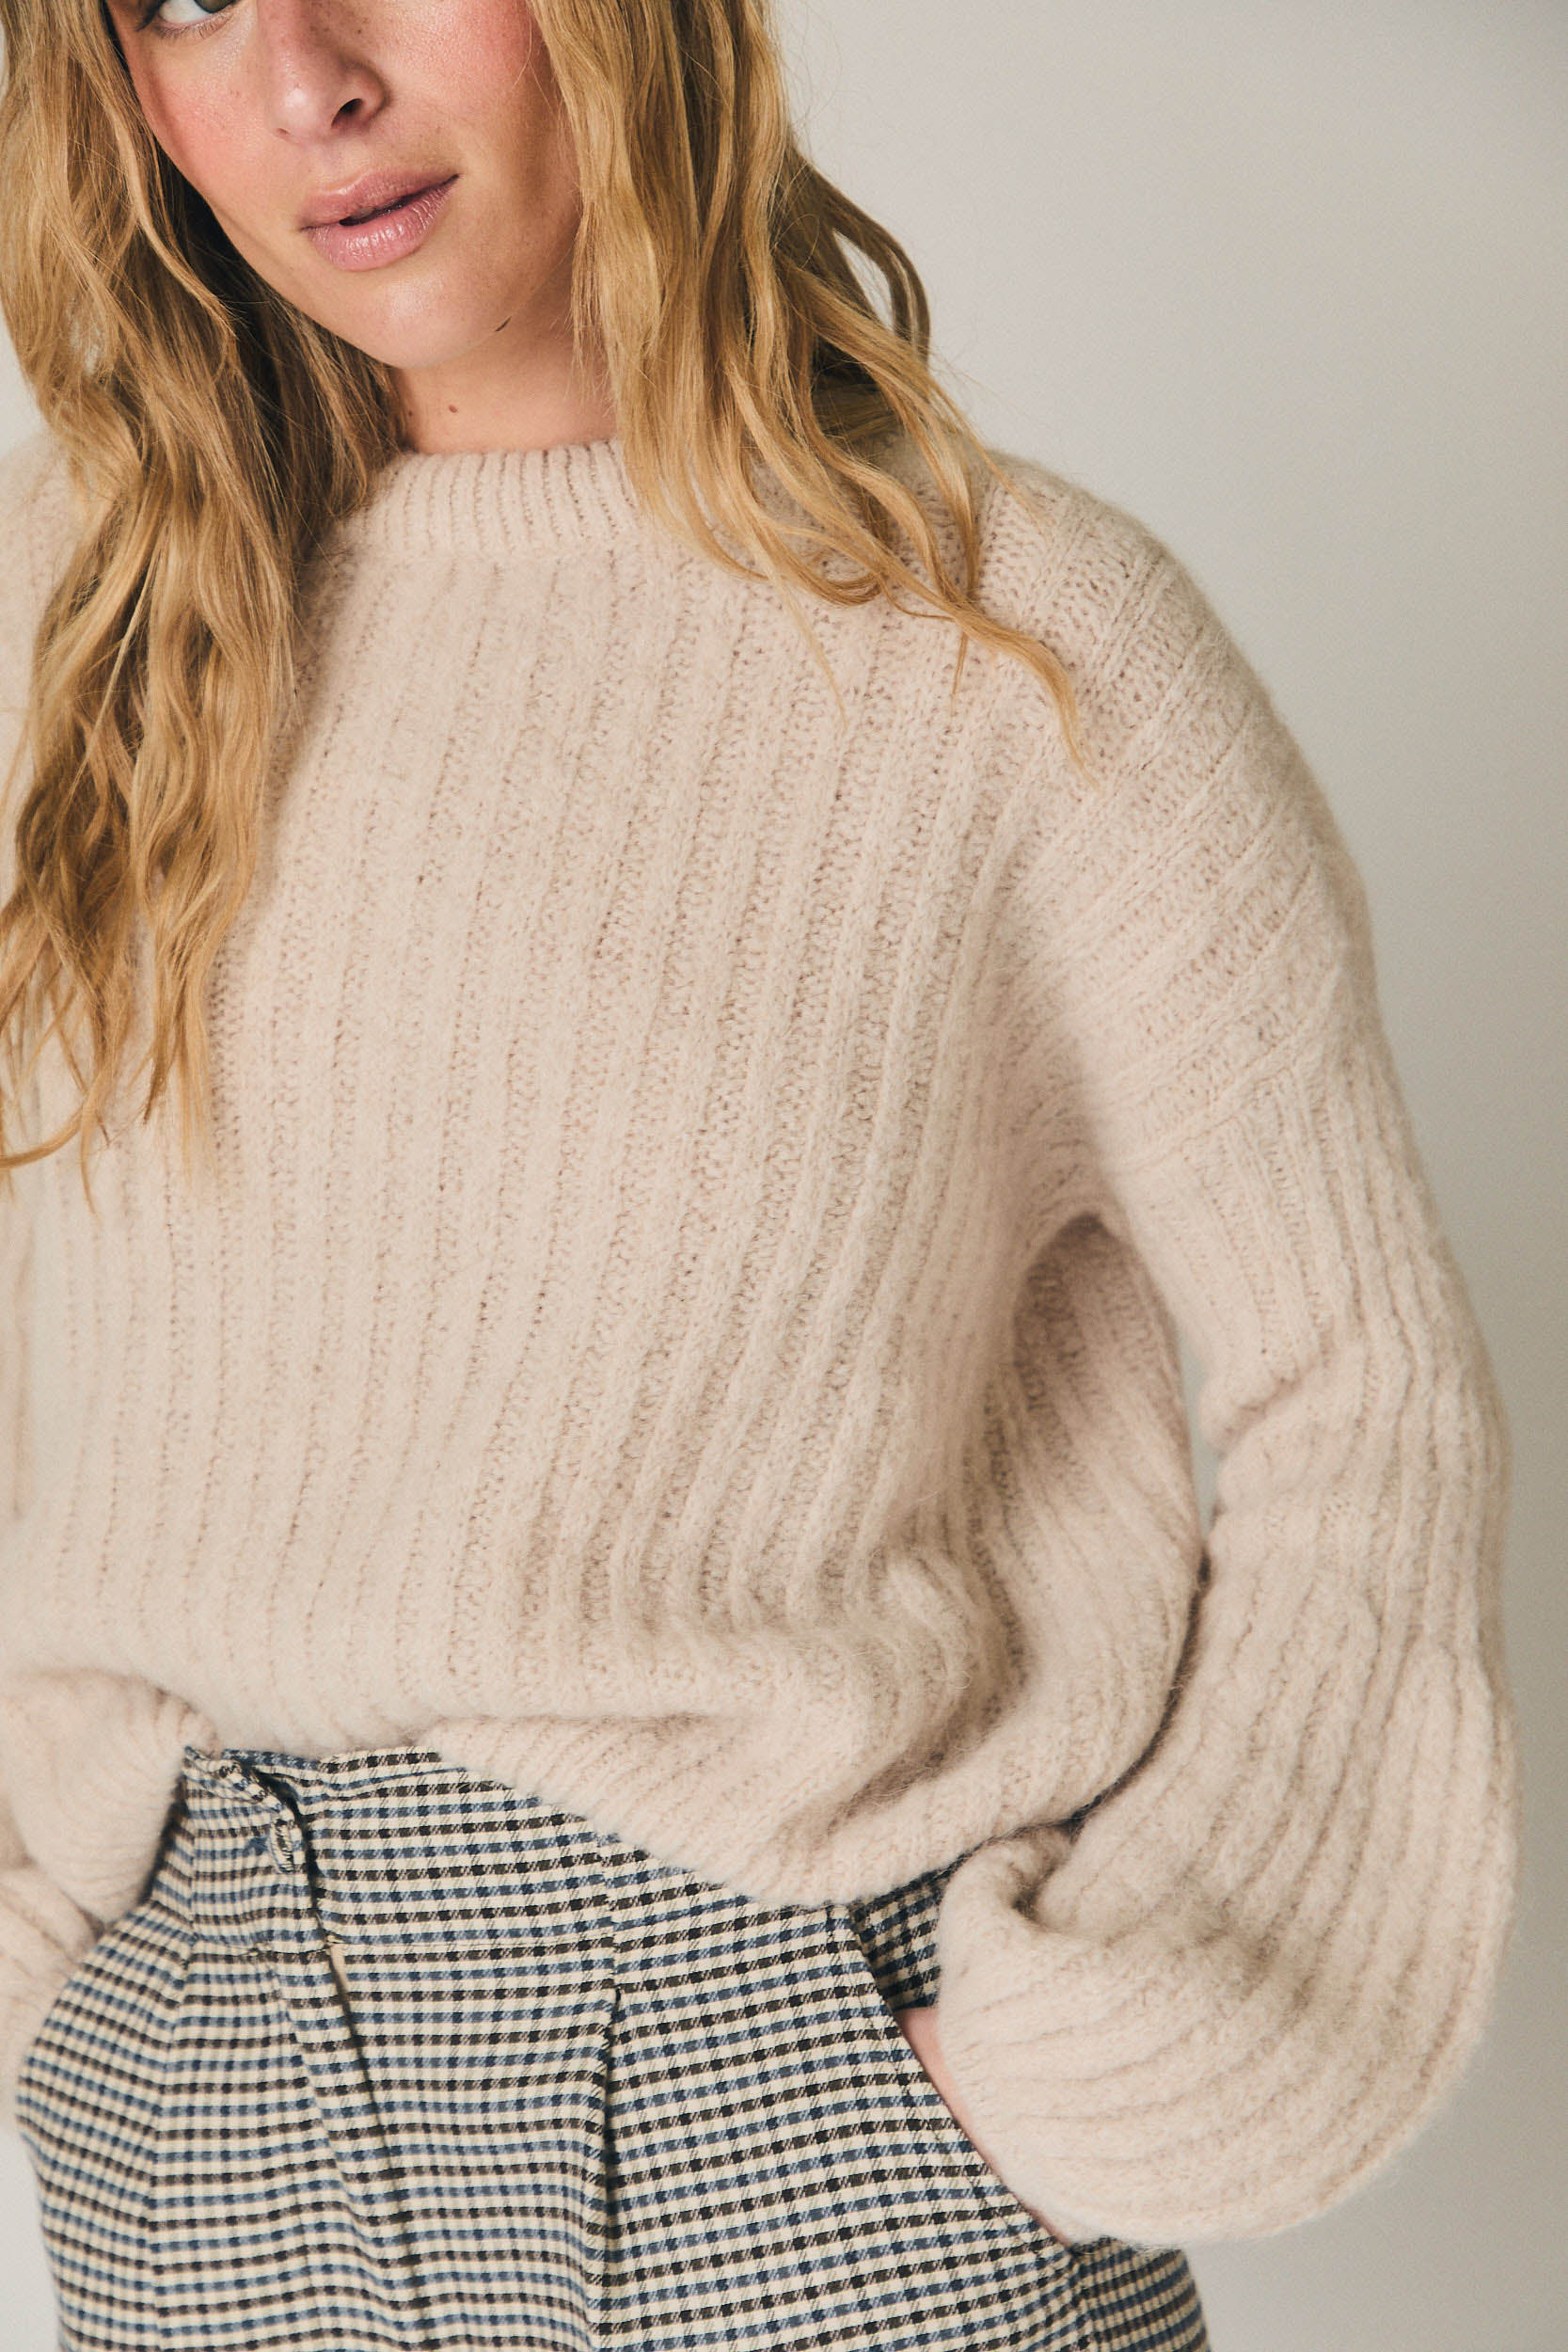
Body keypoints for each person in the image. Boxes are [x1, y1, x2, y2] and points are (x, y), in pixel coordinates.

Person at [0, 0, 1519, 2345]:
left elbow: (1367, 1391)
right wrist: (63, 1957)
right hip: (208, 2107)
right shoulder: (93, 626)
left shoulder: (1016, 647)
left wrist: (1131, 2014)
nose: (309, 78)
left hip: (802, 2081)